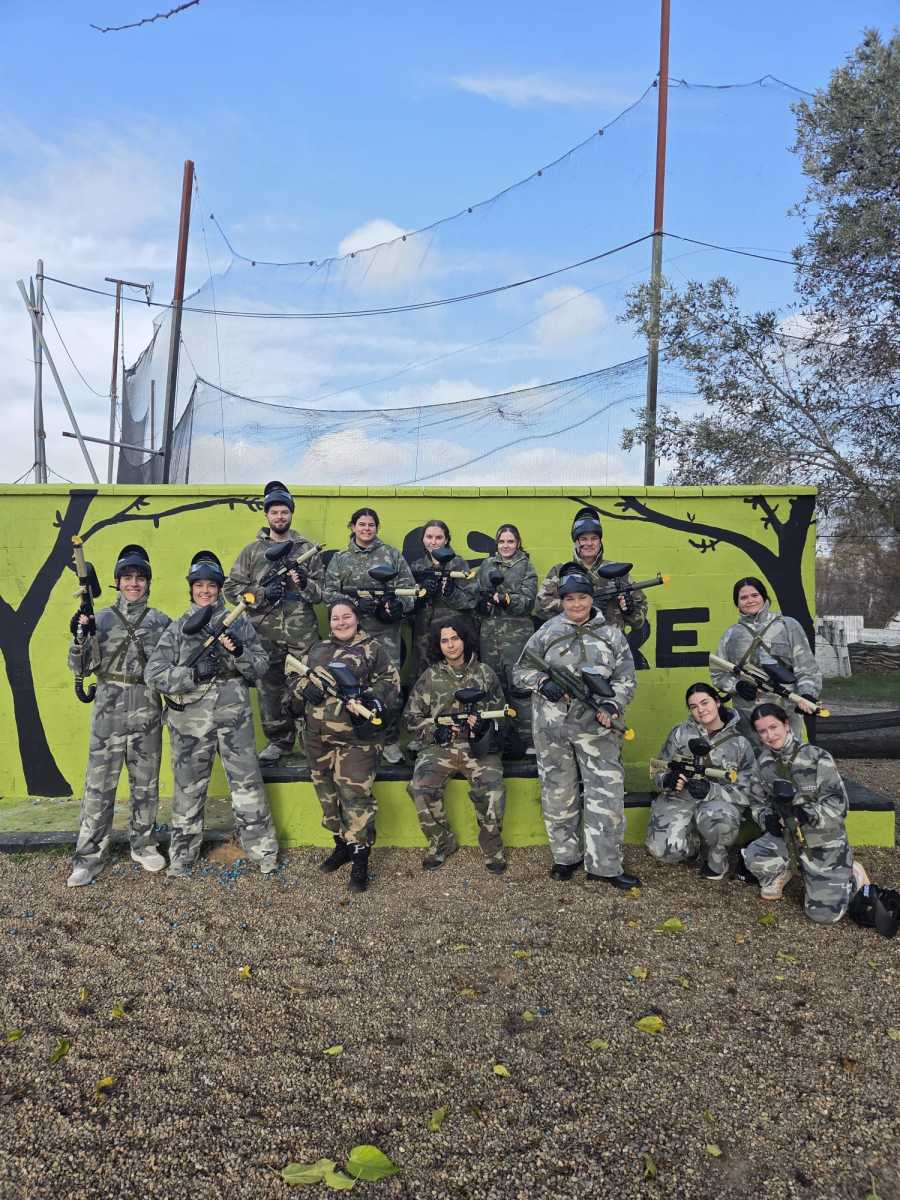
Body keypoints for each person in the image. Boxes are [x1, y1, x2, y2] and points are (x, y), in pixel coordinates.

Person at [145, 551, 279, 878]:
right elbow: (154, 674)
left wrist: (240, 651)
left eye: (211, 585)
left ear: (219, 589)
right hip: (190, 721)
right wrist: (191, 675)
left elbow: (261, 667)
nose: (205, 591)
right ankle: (182, 856)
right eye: (199, 585)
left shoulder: (238, 621)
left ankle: (263, 851)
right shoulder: (179, 628)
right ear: (191, 588)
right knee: (188, 788)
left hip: (233, 716)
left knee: (247, 783)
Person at [514, 568, 638, 887]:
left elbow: (626, 678)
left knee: (606, 794)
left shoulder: (612, 634)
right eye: (570, 599)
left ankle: (605, 866)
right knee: (558, 793)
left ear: (591, 598)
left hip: (597, 728)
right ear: (562, 601)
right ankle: (565, 857)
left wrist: (612, 705)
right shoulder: (547, 632)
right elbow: (521, 671)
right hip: (552, 729)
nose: (577, 604)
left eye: (582, 597)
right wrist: (543, 683)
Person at [66, 545, 171, 888]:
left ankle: (143, 844)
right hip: (108, 713)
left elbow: (173, 669)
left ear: (149, 583)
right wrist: (80, 636)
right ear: (117, 582)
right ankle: (88, 857)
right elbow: (80, 667)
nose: (134, 583)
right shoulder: (101, 618)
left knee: (146, 784)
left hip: (147, 710)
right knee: (99, 787)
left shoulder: (161, 623)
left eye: (140, 578)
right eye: (127, 577)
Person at [286, 601, 401, 893]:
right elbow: (295, 678)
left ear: (356, 618)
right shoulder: (317, 649)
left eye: (346, 616)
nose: (341, 622)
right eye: (335, 618)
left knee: (355, 798)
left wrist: (366, 698)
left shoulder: (372, 648)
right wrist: (304, 688)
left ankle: (360, 862)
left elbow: (391, 683)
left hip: (357, 741)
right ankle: (342, 846)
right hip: (316, 739)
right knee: (327, 796)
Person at [224, 480, 324, 765]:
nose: (280, 517)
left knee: (308, 686)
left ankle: (310, 741)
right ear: (267, 515)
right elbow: (231, 589)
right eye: (275, 512)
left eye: (284, 512)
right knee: (269, 689)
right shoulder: (252, 552)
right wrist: (260, 594)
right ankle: (279, 742)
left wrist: (303, 583)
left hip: (302, 633)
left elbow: (322, 593)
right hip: (263, 633)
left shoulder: (306, 549)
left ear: (291, 513)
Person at [741, 703, 868, 923]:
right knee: (754, 856)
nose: (770, 735)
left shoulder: (816, 757)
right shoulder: (763, 764)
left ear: (786, 724)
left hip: (821, 839)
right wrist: (766, 818)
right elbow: (757, 802)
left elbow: (839, 805)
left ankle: (852, 875)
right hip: (788, 836)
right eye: (762, 731)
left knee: (823, 915)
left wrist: (806, 813)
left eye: (774, 727)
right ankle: (785, 871)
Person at [404, 617, 507, 873]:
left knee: (493, 789)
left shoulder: (485, 673)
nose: (451, 645)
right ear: (438, 645)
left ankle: (492, 848)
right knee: (420, 787)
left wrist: (482, 726)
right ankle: (441, 843)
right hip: (439, 748)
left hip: (478, 747)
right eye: (444, 641)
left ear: (465, 640)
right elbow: (411, 718)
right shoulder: (430, 676)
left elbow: (502, 716)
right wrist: (435, 730)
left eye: (455, 638)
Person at [324, 507, 416, 765]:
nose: (366, 529)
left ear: (377, 527)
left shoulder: (391, 555)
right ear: (352, 527)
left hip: (386, 634)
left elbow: (409, 591)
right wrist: (353, 604)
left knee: (390, 686)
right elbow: (328, 593)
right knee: (351, 686)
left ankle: (390, 741)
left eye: (371, 525)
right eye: (362, 524)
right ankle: (357, 739)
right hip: (351, 636)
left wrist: (396, 606)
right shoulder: (341, 559)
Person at [646, 682, 759, 881]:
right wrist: (668, 779)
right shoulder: (680, 733)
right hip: (682, 798)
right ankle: (694, 845)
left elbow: (750, 789)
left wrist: (711, 790)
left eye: (705, 702)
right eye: (694, 706)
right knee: (661, 851)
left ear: (717, 702)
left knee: (720, 819)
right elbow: (658, 767)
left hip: (718, 803)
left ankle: (717, 858)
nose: (700, 710)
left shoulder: (740, 742)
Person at [710, 576, 821, 747]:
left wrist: (807, 694)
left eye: (755, 595)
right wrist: (736, 686)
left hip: (785, 709)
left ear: (764, 597)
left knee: (788, 753)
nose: (750, 600)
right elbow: (718, 674)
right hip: (748, 714)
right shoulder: (731, 635)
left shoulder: (788, 625)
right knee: (752, 756)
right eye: (743, 597)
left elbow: (807, 667)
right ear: (737, 603)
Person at [474, 523, 538, 756]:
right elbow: (477, 593)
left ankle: (529, 741)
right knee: (492, 687)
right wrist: (482, 603)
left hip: (516, 636)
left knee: (520, 689)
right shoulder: (487, 565)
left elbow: (528, 601)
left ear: (518, 543)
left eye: (510, 541)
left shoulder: (526, 566)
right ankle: (498, 739)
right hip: (489, 635)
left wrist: (506, 599)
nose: (506, 546)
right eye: (502, 541)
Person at [534, 506, 648, 632]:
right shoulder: (560, 571)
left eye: (594, 538)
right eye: (583, 539)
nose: (589, 543)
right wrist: (578, 606)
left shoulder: (618, 572)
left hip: (611, 641)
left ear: (600, 541)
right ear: (576, 542)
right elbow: (540, 607)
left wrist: (629, 611)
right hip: (570, 640)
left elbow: (639, 621)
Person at [408, 519, 477, 679]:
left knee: (458, 678)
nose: (433, 542)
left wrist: (450, 593)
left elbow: (471, 600)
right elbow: (408, 605)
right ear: (423, 540)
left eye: (438, 537)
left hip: (454, 635)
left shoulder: (458, 564)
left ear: (446, 540)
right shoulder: (417, 567)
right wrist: (422, 594)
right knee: (425, 679)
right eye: (429, 537)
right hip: (425, 635)